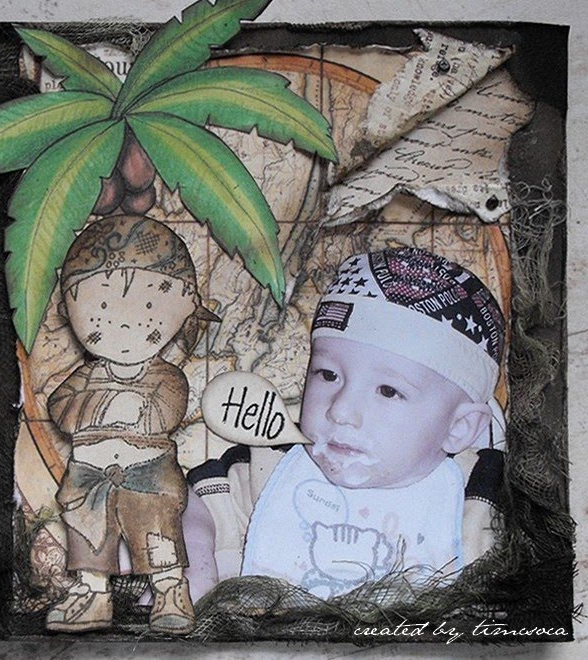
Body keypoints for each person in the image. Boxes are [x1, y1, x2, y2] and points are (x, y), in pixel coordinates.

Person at [184, 247, 506, 600]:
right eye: (328, 375)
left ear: (459, 428)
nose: (341, 411)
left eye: (388, 391)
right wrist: (196, 554)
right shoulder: (268, 465)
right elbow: (186, 504)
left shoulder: (479, 495)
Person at [45, 215, 218, 633]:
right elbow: (59, 407)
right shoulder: (85, 376)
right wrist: (106, 404)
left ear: (185, 306)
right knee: (88, 537)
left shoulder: (167, 377)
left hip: (148, 476)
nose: (124, 324)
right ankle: (93, 594)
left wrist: (135, 410)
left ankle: (170, 591)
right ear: (69, 308)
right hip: (89, 476)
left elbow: (169, 410)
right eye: (100, 309)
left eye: (149, 309)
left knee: (158, 537)